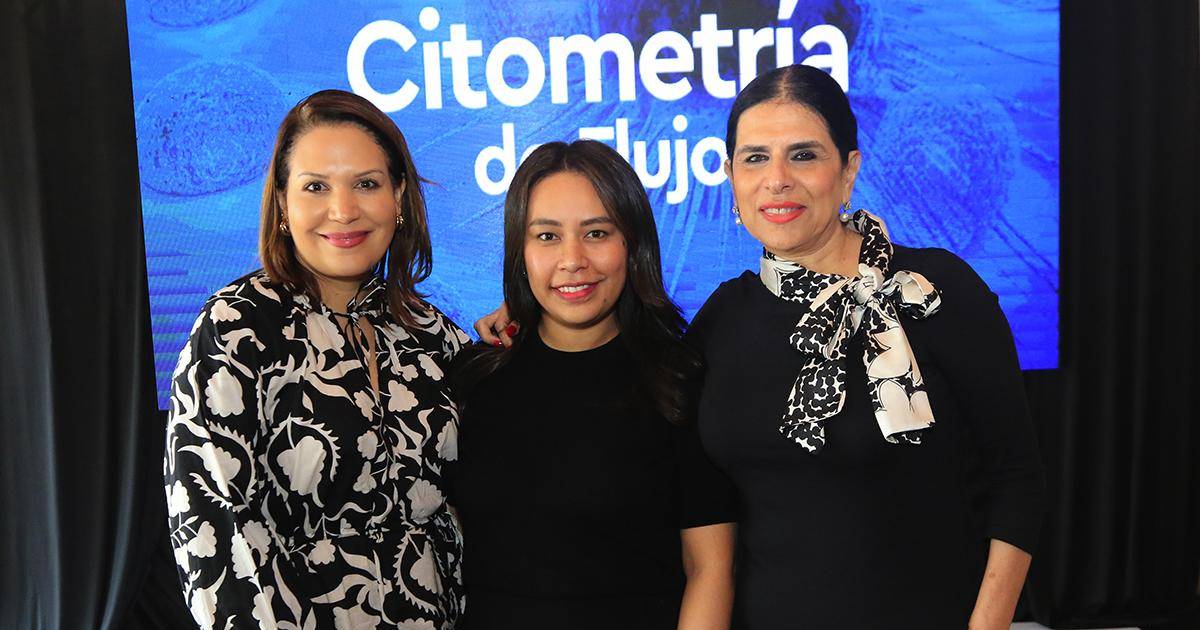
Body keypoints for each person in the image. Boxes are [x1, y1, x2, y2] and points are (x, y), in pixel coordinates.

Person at [477, 65, 1044, 629]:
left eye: (803, 155)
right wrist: (528, 309)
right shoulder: (722, 319)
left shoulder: (932, 292)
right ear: (730, 176)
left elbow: (1017, 477)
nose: (777, 180)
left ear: (848, 170)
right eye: (754, 158)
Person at [165, 89, 469, 630]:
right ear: (283, 204)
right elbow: (214, 536)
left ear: (399, 197)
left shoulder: (430, 333)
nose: (343, 210)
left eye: (367, 184)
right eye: (315, 187)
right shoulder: (236, 328)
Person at [451, 140, 737, 629]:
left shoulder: (678, 381)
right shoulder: (473, 378)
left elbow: (710, 569)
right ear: (520, 251)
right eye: (547, 236)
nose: (572, 259)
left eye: (597, 233)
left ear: (633, 244)